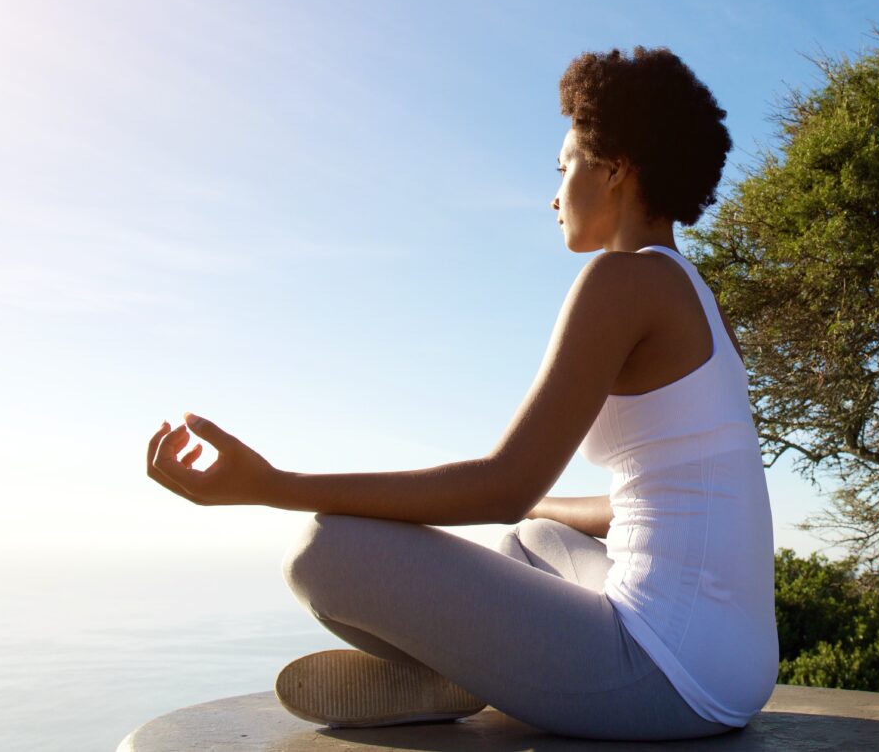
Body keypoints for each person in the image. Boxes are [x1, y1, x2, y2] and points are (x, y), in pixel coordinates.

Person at [146, 45, 779, 742]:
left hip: (665, 675)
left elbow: (500, 483)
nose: (554, 192)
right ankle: (473, 670)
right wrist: (539, 500)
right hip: (735, 667)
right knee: (534, 539)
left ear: (616, 166)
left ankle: (469, 670)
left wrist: (269, 483)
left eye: (563, 167)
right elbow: (649, 497)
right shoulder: (694, 294)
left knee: (322, 552)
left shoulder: (621, 282)